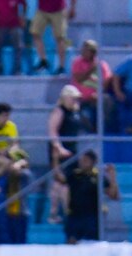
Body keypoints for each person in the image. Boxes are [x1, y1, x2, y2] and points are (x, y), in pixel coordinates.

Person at [56, 150, 119, 244]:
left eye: (85, 160)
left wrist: (113, 177)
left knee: (91, 243)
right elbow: (59, 178)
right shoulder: (75, 175)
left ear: (93, 162)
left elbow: (114, 195)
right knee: (71, 241)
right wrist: (55, 159)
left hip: (92, 216)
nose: (82, 162)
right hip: (75, 215)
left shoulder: (98, 177)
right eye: (81, 160)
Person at [47, 85, 89, 222]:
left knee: (70, 181)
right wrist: (58, 148)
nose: (75, 101)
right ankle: (54, 213)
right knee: (60, 181)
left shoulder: (76, 112)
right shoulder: (59, 111)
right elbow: (53, 131)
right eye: (73, 98)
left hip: (72, 150)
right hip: (59, 151)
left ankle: (68, 211)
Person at [0, 149, 32, 244]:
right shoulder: (5, 175)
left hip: (20, 213)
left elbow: (15, 170)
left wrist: (19, 163)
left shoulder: (25, 174)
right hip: (7, 212)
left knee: (19, 241)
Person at [69, 39, 113, 128]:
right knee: (77, 111)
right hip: (79, 97)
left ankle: (103, 129)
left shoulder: (102, 65)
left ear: (93, 53)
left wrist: (98, 94)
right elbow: (78, 79)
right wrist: (91, 70)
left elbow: (107, 82)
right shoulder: (77, 62)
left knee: (107, 100)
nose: (83, 52)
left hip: (95, 97)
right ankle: (91, 129)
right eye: (83, 49)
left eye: (86, 50)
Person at [30, 0, 76, 75]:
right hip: (42, 10)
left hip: (58, 10)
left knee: (60, 37)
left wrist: (73, 7)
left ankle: (61, 66)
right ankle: (43, 60)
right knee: (35, 33)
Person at [0, 0, 27, 76]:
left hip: (15, 24)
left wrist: (22, 20)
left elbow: (22, 7)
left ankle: (17, 70)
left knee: (19, 46)